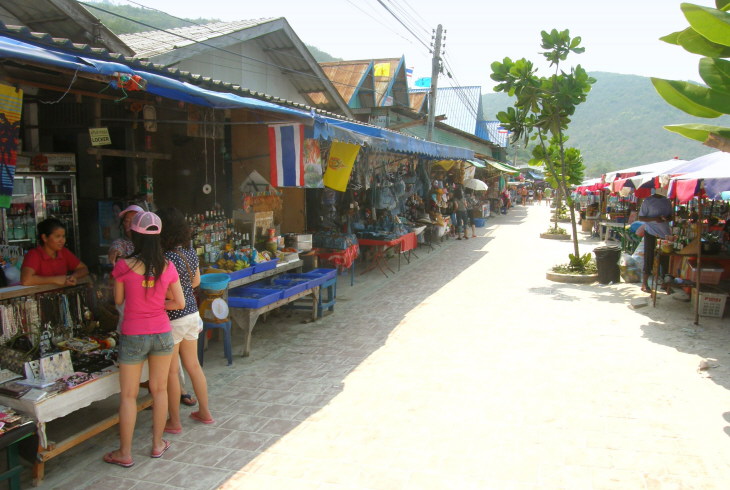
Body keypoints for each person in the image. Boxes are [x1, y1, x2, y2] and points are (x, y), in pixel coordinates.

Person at [103, 211, 185, 468]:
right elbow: (179, 302)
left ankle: (124, 453)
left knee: (128, 396)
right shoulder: (168, 266)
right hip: (161, 332)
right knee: (159, 390)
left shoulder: (123, 266)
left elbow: (118, 301)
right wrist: (158, 301)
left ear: (135, 235)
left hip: (133, 333)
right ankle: (157, 444)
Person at [157, 207, 213, 433]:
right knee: (193, 365)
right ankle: (205, 412)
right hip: (192, 314)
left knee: (172, 371)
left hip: (173, 318)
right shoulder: (189, 252)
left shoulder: (165, 258)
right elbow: (197, 281)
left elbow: (168, 294)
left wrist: (171, 296)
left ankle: (175, 422)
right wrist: (184, 293)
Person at [21, 218, 88, 286]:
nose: (62, 241)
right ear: (44, 238)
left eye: (63, 236)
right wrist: (55, 279)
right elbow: (26, 280)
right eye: (57, 236)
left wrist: (73, 277)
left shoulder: (64, 252)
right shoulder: (34, 254)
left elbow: (83, 268)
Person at [639, 187, 673, 293]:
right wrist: (655, 219)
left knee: (665, 259)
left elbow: (671, 216)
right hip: (651, 232)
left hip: (665, 234)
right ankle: (644, 284)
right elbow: (641, 218)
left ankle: (665, 283)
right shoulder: (648, 201)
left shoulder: (667, 201)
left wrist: (667, 218)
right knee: (649, 257)